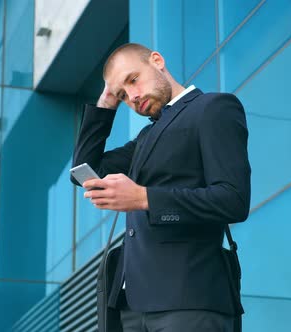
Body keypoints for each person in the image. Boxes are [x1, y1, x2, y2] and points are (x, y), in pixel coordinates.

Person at [72, 43, 251, 332]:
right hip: (131, 307)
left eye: (133, 80)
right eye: (122, 95)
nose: (132, 96)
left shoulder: (214, 108)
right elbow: (83, 171)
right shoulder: (146, 136)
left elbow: (233, 199)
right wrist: (106, 101)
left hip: (188, 299)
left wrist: (144, 198)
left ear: (156, 60)